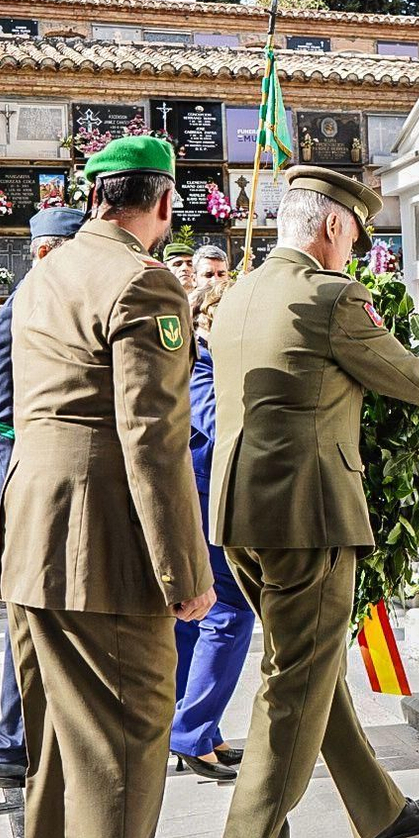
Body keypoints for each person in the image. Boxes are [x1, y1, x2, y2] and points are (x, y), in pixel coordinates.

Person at [209, 167, 419, 838]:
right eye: (354, 235)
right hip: (307, 519)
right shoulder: (332, 296)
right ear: (334, 225)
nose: (352, 250)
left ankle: (379, 810)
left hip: (239, 519)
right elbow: (405, 375)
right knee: (293, 688)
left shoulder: (237, 293)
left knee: (308, 667)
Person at [0, 134, 215, 838]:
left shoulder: (41, 279)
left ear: (95, 196)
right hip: (101, 551)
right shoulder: (144, 282)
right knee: (121, 757)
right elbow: (153, 440)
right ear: (162, 200)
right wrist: (186, 574)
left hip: (31, 539)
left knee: (58, 755)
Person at [0, 206, 85, 791]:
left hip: (53, 490)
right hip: (26, 490)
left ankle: (42, 736)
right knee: (25, 626)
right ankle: (12, 745)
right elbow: (3, 417)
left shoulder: (54, 305)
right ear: (46, 251)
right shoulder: (18, 310)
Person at [170, 277, 255, 783]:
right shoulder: (199, 363)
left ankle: (199, 729)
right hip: (205, 502)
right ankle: (191, 730)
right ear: (206, 321)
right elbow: (219, 420)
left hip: (208, 500)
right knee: (229, 615)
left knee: (195, 622)